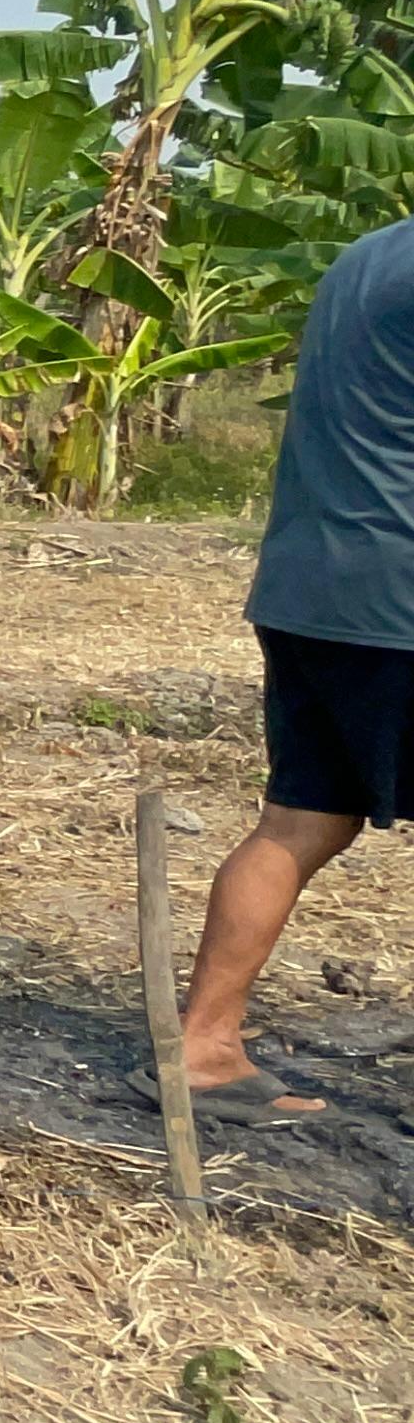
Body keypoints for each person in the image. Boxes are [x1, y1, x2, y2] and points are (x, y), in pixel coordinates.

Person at [173, 218, 414, 1123]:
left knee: (301, 820)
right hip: (401, 597)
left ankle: (202, 1049)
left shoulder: (369, 255)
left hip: (310, 587)